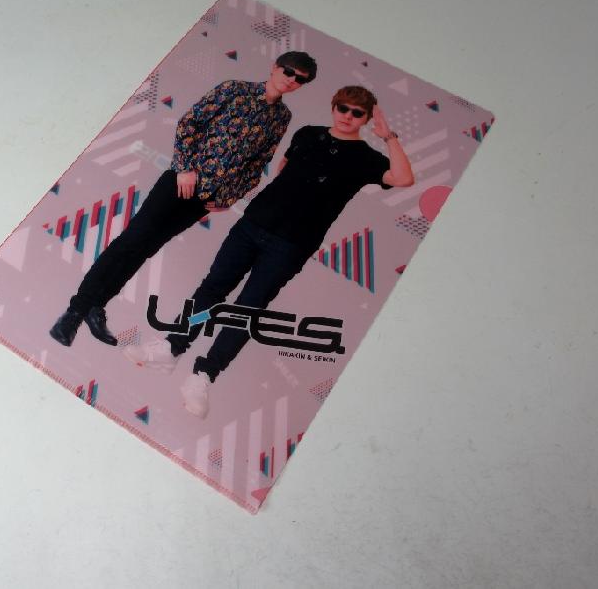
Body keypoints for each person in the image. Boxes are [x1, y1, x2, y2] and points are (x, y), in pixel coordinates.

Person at [123, 86, 415, 418]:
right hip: (252, 226)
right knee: (212, 290)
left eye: (357, 112)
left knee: (247, 309)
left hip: (292, 244)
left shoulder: (365, 157)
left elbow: (403, 178)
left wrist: (388, 137)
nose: (348, 116)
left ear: (365, 118)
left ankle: (203, 375)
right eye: (343, 108)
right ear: (334, 107)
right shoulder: (307, 134)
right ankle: (172, 347)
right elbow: (283, 169)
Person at [49, 51, 318, 347]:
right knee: (132, 240)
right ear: (275, 67)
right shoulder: (235, 89)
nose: (291, 80)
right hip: (180, 182)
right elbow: (190, 123)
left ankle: (97, 308)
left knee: (146, 248)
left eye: (300, 79)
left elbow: (259, 162)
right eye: (289, 72)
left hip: (206, 198)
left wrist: (230, 197)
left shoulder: (282, 117)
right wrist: (185, 168)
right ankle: (74, 313)